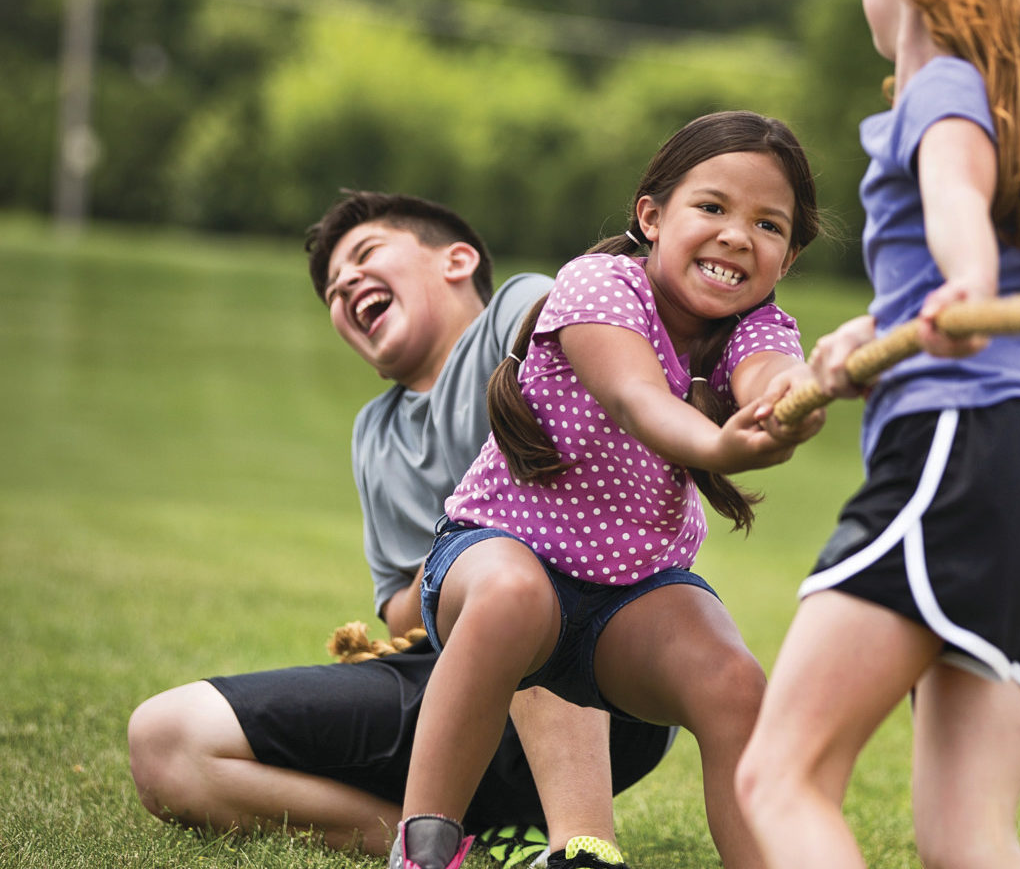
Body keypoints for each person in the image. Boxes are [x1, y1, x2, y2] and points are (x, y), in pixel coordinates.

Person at [735, 0, 1020, 869]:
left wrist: (964, 284)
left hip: (966, 446)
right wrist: (880, 327)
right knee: (965, 841)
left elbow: (954, 206)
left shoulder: (943, 87)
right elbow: (955, 240)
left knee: (779, 776)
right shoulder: (1002, 102)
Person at [127, 191, 675, 865]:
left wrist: (481, 537)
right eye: (332, 289)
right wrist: (460, 543)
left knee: (515, 574)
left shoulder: (519, 310)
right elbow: (397, 615)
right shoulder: (375, 434)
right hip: (444, 684)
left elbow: (583, 428)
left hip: (601, 677)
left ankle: (581, 845)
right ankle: (453, 842)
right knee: (166, 740)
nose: (347, 284)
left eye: (364, 255)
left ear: (457, 260)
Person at [387, 111, 825, 869]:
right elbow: (637, 401)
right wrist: (724, 442)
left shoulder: (760, 329)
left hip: (626, 598)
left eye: (767, 224)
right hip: (496, 557)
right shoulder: (598, 286)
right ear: (651, 217)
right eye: (712, 207)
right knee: (512, 596)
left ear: (784, 258)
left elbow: (770, 379)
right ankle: (423, 848)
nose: (735, 235)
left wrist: (795, 398)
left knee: (734, 684)